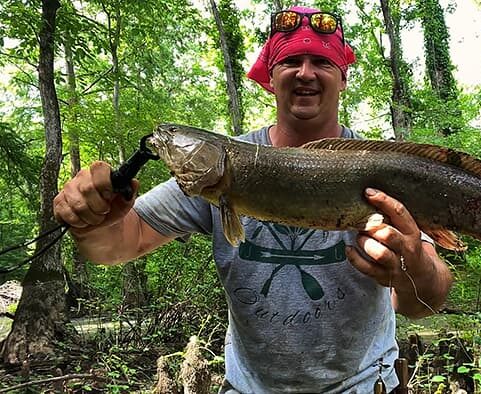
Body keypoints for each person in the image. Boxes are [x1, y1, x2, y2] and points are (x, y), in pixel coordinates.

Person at [53, 5, 453, 393]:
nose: (306, 73)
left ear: (343, 78)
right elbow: (115, 245)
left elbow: (426, 301)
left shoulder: (379, 167)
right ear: (270, 76)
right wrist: (93, 220)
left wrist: (413, 266)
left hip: (368, 386)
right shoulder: (218, 173)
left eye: (322, 62)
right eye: (291, 60)